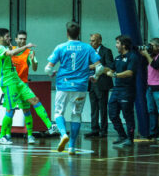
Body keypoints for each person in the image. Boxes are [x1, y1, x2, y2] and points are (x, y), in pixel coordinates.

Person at [0, 28, 56, 145]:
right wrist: (27, 46)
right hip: (9, 83)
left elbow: (2, 51)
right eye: (8, 36)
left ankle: (50, 126)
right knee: (10, 110)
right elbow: (10, 53)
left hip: (19, 81)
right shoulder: (0, 49)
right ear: (1, 37)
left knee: (35, 100)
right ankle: (2, 135)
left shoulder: (2, 48)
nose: (10, 38)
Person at [45, 21, 103, 155]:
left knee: (58, 112)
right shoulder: (87, 48)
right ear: (79, 34)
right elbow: (100, 67)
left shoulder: (60, 47)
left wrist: (52, 73)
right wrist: (96, 77)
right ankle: (71, 146)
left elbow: (47, 68)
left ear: (67, 33)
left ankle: (63, 134)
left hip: (63, 85)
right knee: (76, 114)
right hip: (81, 86)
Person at [105, 35, 138, 147]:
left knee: (127, 115)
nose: (116, 45)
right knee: (112, 114)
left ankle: (130, 138)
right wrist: (97, 67)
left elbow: (129, 72)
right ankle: (122, 135)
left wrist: (115, 75)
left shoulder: (132, 57)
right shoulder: (118, 58)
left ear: (124, 45)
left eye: (118, 43)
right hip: (116, 90)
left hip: (127, 90)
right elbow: (110, 68)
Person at [139, 38, 159, 140]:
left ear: (158, 46)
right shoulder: (153, 55)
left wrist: (147, 55)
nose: (149, 47)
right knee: (151, 110)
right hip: (150, 86)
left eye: (151, 45)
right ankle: (154, 132)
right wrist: (144, 54)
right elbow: (144, 64)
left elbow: (156, 65)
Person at [85, 33, 114, 138]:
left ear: (99, 41)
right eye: (90, 40)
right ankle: (94, 129)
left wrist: (96, 66)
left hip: (102, 83)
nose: (91, 42)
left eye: (93, 40)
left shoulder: (106, 51)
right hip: (91, 83)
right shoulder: (89, 52)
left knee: (102, 107)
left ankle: (103, 130)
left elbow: (110, 66)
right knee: (94, 107)